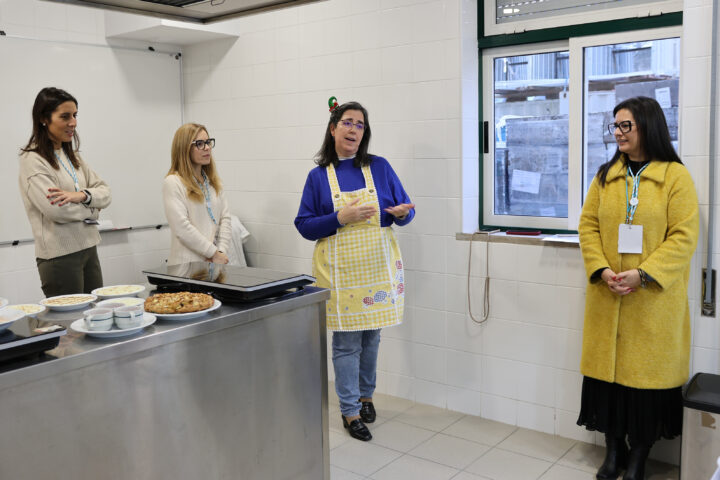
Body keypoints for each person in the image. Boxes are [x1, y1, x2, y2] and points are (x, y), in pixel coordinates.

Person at [577, 96, 698, 480]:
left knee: (646, 386)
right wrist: (601, 270)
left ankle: (638, 458)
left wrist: (643, 274)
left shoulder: (675, 177)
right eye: (615, 125)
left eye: (625, 125)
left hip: (651, 300)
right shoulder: (606, 176)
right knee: (609, 382)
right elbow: (588, 226)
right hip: (608, 294)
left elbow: (683, 236)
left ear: (648, 125)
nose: (618, 132)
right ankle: (614, 452)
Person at [295, 98, 415, 442]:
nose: (354, 129)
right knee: (347, 343)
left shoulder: (380, 167)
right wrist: (340, 217)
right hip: (341, 274)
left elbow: (405, 212)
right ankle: (349, 412)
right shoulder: (319, 177)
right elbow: (304, 226)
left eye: (360, 125)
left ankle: (366, 397)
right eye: (348, 122)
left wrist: (403, 214)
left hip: (376, 269)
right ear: (333, 129)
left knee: (372, 338)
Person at [18, 87, 112, 297]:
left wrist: (83, 196)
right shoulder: (33, 160)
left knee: (95, 313)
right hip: (59, 256)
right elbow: (57, 211)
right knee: (70, 317)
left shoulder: (73, 156)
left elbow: (105, 192)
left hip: (88, 247)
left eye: (75, 115)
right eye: (65, 116)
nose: (73, 123)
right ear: (44, 119)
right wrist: (93, 210)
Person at [163, 123, 231, 266]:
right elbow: (182, 228)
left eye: (208, 142)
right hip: (186, 267)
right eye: (199, 144)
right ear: (184, 148)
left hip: (214, 264)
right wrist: (212, 253)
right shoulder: (173, 182)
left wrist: (220, 252)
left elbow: (225, 219)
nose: (207, 148)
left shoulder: (214, 183)